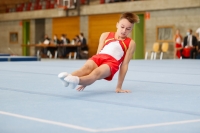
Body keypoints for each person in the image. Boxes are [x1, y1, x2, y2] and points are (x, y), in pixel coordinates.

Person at [58, 12, 139, 93]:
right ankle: (68, 78)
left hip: (111, 63)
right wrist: (86, 82)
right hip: (99, 57)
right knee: (86, 68)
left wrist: (119, 87)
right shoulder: (105, 35)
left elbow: (124, 65)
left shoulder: (131, 43)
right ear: (117, 25)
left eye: (128, 29)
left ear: (131, 29)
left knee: (96, 73)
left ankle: (75, 80)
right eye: (122, 27)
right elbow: (98, 54)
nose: (124, 30)